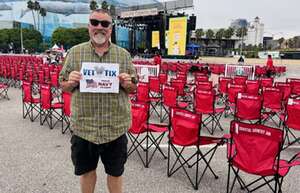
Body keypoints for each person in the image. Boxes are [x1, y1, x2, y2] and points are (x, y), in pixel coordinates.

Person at [59, 9, 137, 193]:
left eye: (105, 24)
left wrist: (128, 83)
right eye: (95, 22)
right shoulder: (75, 53)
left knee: (116, 174)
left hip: (115, 127)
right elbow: (62, 84)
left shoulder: (123, 55)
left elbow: (134, 87)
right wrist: (70, 81)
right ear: (89, 27)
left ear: (111, 28)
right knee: (87, 173)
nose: (99, 27)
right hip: (85, 127)